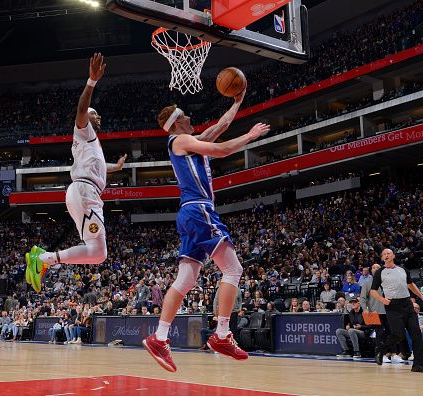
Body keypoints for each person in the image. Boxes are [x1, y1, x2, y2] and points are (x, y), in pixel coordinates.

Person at [143, 92, 270, 372]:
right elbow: (224, 149)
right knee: (233, 269)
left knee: (186, 279)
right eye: (185, 116)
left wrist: (237, 103)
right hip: (200, 210)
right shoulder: (181, 140)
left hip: (188, 213)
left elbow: (220, 127)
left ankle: (159, 337)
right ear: (177, 122)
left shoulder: (189, 142)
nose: (190, 118)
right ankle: (222, 334)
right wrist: (249, 136)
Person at [25, 53, 127, 292]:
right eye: (94, 113)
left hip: (83, 190)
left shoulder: (91, 143)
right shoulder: (83, 130)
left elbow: (97, 167)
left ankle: (44, 258)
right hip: (84, 191)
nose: (97, 116)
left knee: (98, 252)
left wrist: (116, 168)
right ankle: (42, 259)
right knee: (98, 252)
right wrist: (91, 81)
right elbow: (81, 109)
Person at [369, 248, 423, 373]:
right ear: (382, 258)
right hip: (392, 306)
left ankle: (418, 365)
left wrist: (422, 297)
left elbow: (411, 284)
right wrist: (382, 300)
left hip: (407, 303)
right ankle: (381, 349)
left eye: (388, 253)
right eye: (384, 254)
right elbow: (373, 291)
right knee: (398, 334)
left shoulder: (403, 270)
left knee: (416, 333)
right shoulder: (380, 272)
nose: (386, 255)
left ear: (393, 255)